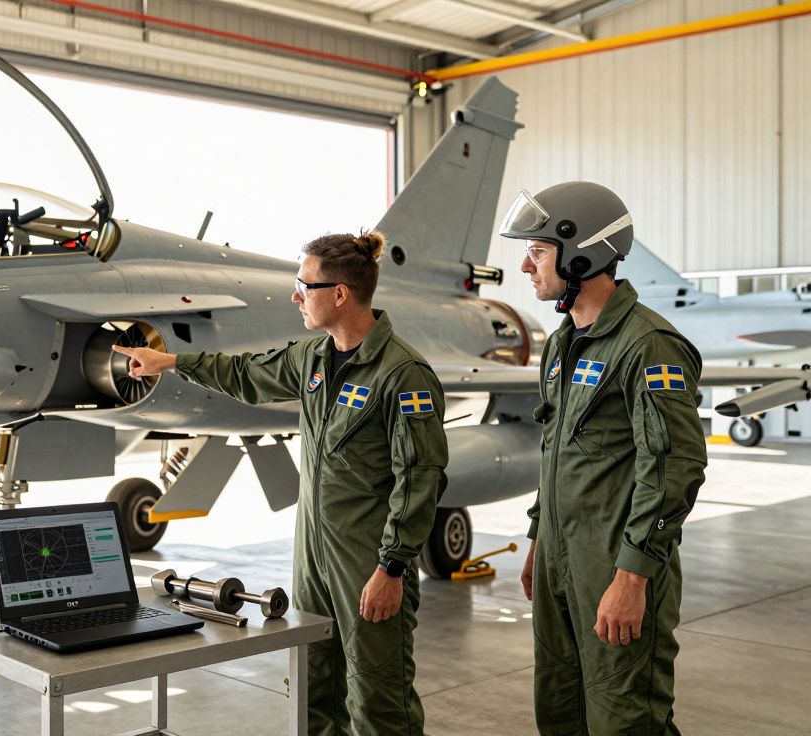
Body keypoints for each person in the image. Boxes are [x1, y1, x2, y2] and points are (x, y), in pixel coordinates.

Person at [113, 231, 447, 735]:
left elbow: (420, 478)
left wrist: (392, 569)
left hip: (368, 563)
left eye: (303, 284)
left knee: (379, 702)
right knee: (311, 689)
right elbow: (245, 373)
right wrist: (171, 363)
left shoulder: (403, 374)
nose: (295, 295)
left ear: (339, 294)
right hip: (313, 557)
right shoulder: (313, 358)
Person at [502, 181, 707, 734]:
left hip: (615, 566)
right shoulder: (563, 342)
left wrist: (633, 577)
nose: (525, 266)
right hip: (559, 565)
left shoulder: (649, 345)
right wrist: (539, 543)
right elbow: (557, 452)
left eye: (538, 250)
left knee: (625, 720)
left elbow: (674, 469)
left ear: (581, 251)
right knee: (561, 713)